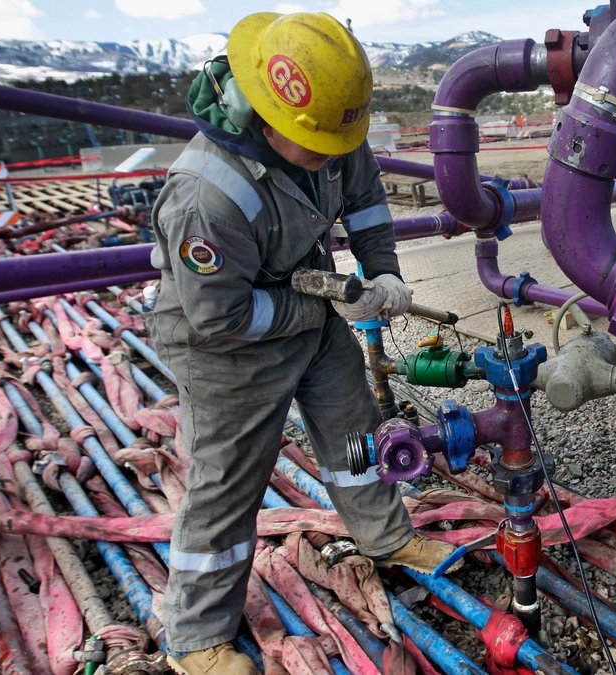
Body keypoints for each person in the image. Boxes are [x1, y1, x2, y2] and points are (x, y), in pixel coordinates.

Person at [147, 12, 458, 674]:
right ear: (267, 117)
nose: (332, 153)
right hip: (224, 345)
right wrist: (322, 302)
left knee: (356, 432)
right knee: (228, 483)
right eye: (319, 145)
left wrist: (383, 274)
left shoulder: (329, 128)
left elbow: (365, 202)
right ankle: (195, 638)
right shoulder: (206, 196)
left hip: (307, 313)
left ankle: (385, 537)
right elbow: (220, 316)